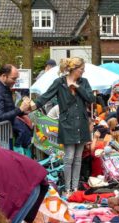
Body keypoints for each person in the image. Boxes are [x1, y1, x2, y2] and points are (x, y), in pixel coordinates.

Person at [30, 57, 95, 195]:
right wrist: (32, 107)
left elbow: (91, 99)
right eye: (81, 69)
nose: (83, 72)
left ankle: (75, 187)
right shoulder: (59, 82)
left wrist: (78, 88)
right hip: (67, 124)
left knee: (78, 158)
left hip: (82, 123)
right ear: (73, 69)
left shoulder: (84, 82)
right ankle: (67, 188)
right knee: (69, 157)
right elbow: (45, 96)